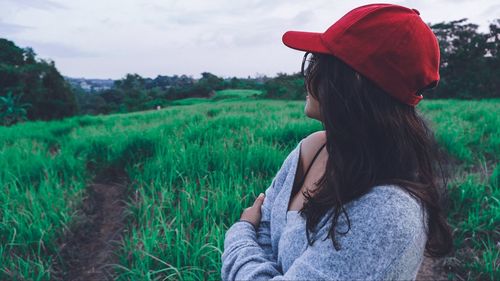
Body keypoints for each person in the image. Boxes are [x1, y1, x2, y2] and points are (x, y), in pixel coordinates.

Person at [221, 3, 453, 280]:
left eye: (318, 61)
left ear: (354, 79)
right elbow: (268, 225)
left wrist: (240, 232)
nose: (308, 74)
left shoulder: (386, 214)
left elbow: (255, 225)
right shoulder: (312, 149)